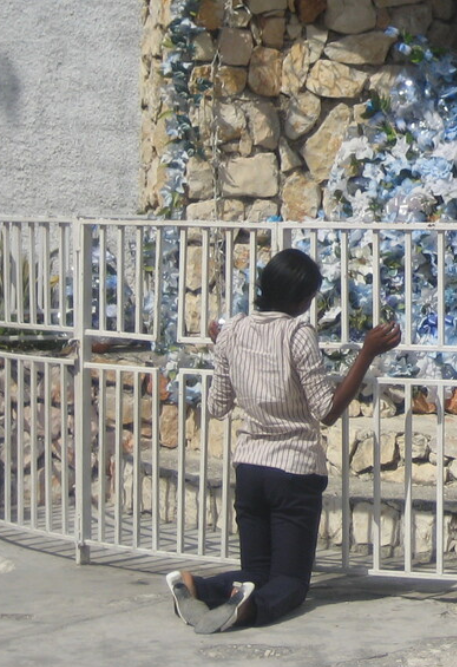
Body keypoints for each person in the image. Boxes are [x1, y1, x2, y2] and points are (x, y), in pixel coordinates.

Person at [165, 248, 400, 633]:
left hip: (250, 466)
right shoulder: (297, 334)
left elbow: (217, 405)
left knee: (255, 572)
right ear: (303, 298)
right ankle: (245, 611)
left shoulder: (233, 330)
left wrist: (221, 349)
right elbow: (326, 410)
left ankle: (197, 586)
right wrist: (367, 353)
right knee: (290, 583)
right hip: (293, 469)